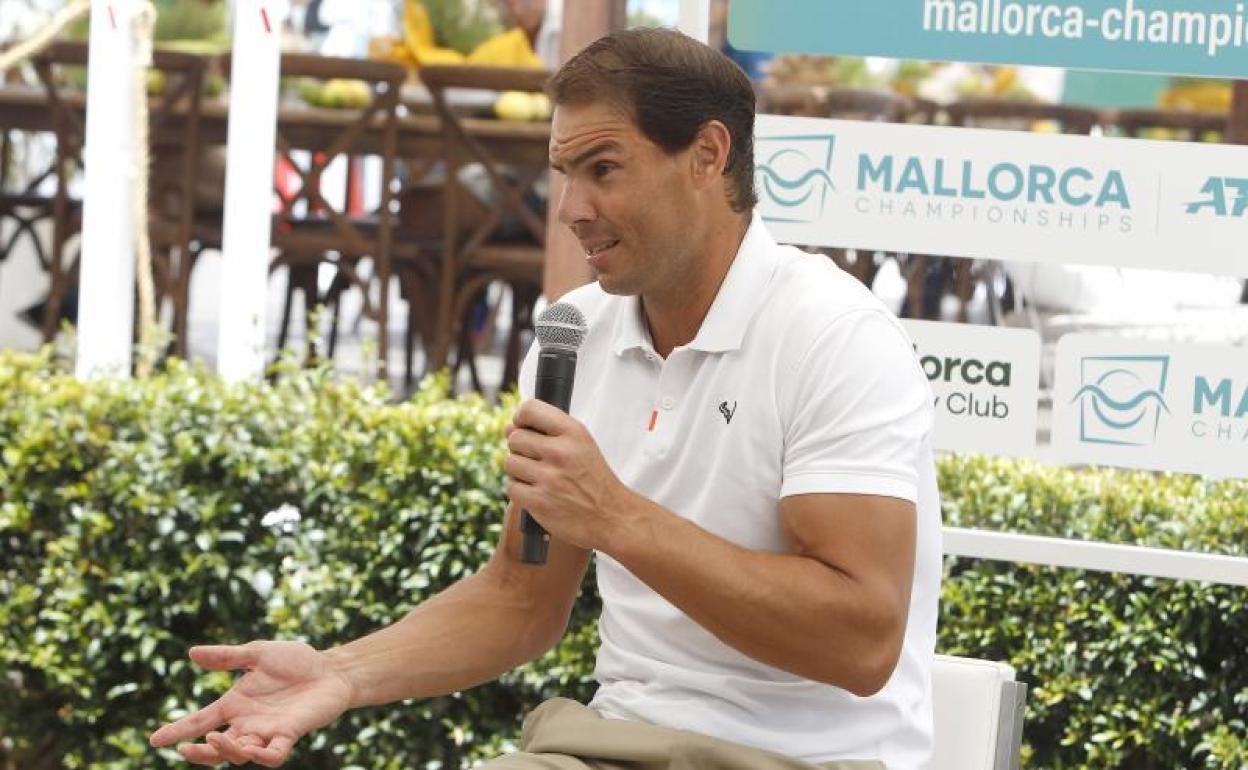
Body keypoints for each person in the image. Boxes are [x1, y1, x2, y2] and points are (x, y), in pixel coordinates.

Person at [148, 28, 941, 770]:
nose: (571, 210)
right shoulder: (576, 335)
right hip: (617, 742)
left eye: (604, 169)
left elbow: (861, 641)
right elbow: (521, 599)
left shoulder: (833, 336)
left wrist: (618, 518)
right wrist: (339, 673)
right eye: (564, 174)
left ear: (707, 155)